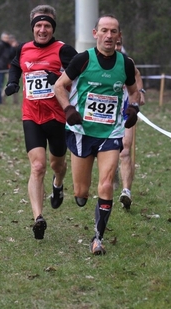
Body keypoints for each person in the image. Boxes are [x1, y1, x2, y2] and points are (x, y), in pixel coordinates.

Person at [54, 14, 140, 255]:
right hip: (81, 132)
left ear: (119, 36)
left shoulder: (125, 64)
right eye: (104, 30)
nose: (109, 36)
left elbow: (134, 92)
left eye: (114, 31)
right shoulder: (82, 60)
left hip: (110, 132)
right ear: (96, 34)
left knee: (106, 184)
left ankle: (98, 238)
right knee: (81, 193)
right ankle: (73, 192)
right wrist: (69, 109)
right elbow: (59, 86)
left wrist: (133, 108)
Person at [4, 4, 77, 240]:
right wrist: (13, 82)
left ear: (52, 28)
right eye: (38, 25)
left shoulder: (64, 50)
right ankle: (38, 218)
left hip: (57, 116)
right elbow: (16, 65)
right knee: (37, 166)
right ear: (33, 28)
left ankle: (58, 184)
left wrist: (61, 79)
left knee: (57, 164)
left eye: (46, 25)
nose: (42, 29)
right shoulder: (23, 49)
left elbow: (81, 74)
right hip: (31, 116)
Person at [115, 38, 146, 210]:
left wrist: (140, 92)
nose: (116, 46)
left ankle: (126, 191)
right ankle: (111, 175)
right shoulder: (95, 60)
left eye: (119, 44)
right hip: (103, 116)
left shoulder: (127, 62)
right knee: (109, 152)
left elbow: (136, 75)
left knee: (125, 150)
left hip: (125, 112)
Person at [0, 32, 12, 104]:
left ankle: (2, 99)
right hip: (0, 67)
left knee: (8, 83)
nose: (7, 39)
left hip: (6, 67)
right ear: (2, 38)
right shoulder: (0, 45)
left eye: (8, 38)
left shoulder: (8, 46)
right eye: (5, 38)